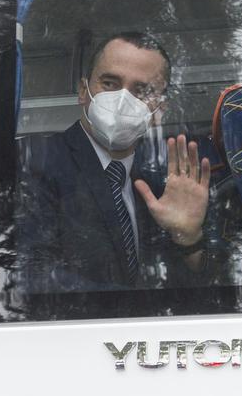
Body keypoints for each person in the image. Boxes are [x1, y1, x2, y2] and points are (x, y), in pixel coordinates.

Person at [16, 31, 212, 293]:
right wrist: (136, 311)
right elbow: (33, 275)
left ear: (160, 110)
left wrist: (188, 238)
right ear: (83, 91)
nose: (122, 101)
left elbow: (207, 289)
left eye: (142, 91)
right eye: (109, 83)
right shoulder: (33, 161)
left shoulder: (167, 181)